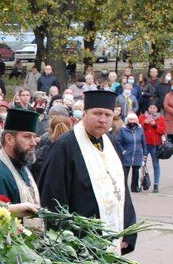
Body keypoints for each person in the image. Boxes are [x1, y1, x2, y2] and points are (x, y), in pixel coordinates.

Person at [39, 90, 138, 253]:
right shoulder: (65, 147)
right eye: (97, 113)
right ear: (84, 114)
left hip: (112, 237)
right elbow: (52, 197)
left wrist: (127, 232)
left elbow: (120, 189)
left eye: (107, 114)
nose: (102, 119)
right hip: (79, 242)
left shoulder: (112, 143)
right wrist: (63, 241)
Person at [0, 107, 42, 223]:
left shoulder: (22, 164)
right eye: (27, 137)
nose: (33, 143)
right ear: (9, 139)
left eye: (34, 136)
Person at [117, 113, 147, 194]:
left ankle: (134, 187)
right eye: (130, 119)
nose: (132, 121)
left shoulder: (140, 129)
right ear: (127, 120)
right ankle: (123, 188)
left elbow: (143, 142)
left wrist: (145, 154)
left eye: (134, 119)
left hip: (137, 154)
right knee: (125, 172)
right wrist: (123, 151)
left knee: (136, 172)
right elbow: (118, 141)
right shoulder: (123, 129)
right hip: (127, 153)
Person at [139, 103, 166, 193]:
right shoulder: (142, 117)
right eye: (150, 107)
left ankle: (156, 184)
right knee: (142, 165)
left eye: (154, 107)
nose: (152, 109)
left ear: (157, 109)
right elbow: (138, 129)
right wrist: (144, 124)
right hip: (144, 144)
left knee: (156, 164)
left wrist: (155, 125)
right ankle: (141, 183)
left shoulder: (161, 118)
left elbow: (162, 130)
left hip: (155, 144)